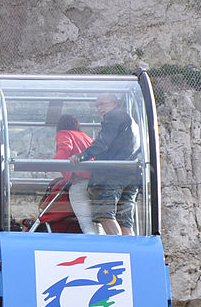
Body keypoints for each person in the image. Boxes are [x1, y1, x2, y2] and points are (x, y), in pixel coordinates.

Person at [70, 93, 140, 235]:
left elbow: (103, 141)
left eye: (103, 104)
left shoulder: (114, 116)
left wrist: (83, 156)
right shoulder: (132, 121)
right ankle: (130, 252)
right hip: (131, 174)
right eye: (97, 105)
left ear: (114, 103)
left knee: (105, 215)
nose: (99, 108)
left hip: (112, 174)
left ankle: (118, 250)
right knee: (125, 220)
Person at [53, 114, 96, 233]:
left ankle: (93, 249)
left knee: (87, 224)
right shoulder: (87, 137)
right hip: (96, 182)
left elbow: (64, 150)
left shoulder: (64, 134)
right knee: (99, 222)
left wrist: (50, 164)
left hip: (79, 182)